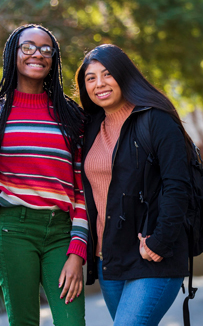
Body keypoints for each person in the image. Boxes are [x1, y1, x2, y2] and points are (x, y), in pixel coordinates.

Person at [0, 24, 88, 326]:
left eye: (46, 49)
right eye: (28, 47)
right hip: (13, 230)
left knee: (72, 322)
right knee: (23, 323)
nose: (37, 54)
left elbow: (81, 189)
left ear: (54, 58)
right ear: (13, 53)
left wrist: (77, 251)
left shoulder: (70, 116)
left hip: (62, 232)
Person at [77, 44, 192, 325]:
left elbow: (178, 185)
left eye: (107, 74)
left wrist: (160, 242)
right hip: (109, 260)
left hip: (152, 255)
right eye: (90, 78)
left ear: (124, 75)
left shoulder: (156, 119)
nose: (99, 84)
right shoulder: (90, 126)